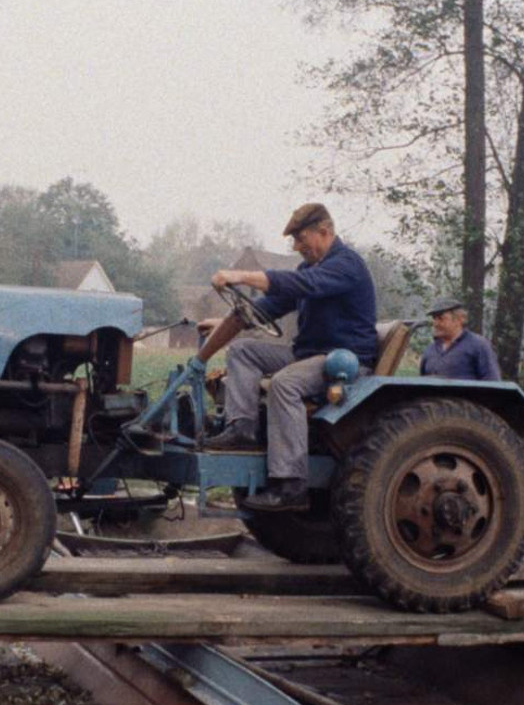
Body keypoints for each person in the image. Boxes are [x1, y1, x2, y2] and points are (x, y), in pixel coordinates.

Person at [201, 202, 378, 513]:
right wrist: (226, 323)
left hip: (344, 361)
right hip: (308, 354)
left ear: (324, 232)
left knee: (285, 383)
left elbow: (301, 285)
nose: (297, 248)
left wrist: (240, 275)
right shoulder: (309, 268)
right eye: (294, 241)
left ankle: (291, 483)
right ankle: (242, 428)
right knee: (243, 351)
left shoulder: (346, 265)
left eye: (301, 239)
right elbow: (269, 307)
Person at [420, 297, 501, 380]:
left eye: (441, 318)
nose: (435, 324)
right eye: (434, 319)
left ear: (459, 320)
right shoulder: (430, 350)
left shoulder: (479, 346)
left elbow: (492, 383)